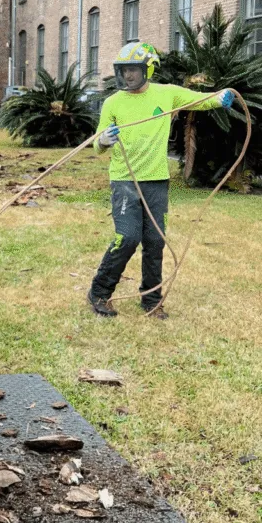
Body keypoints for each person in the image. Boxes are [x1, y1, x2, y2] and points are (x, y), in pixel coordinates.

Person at [88, 42, 235, 319]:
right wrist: (104, 140)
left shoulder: (166, 94)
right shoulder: (112, 102)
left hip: (156, 181)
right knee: (127, 237)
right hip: (125, 181)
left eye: (133, 70)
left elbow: (200, 99)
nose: (127, 76)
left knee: (155, 240)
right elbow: (96, 143)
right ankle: (99, 292)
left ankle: (151, 299)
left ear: (149, 69)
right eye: (123, 70)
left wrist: (221, 96)